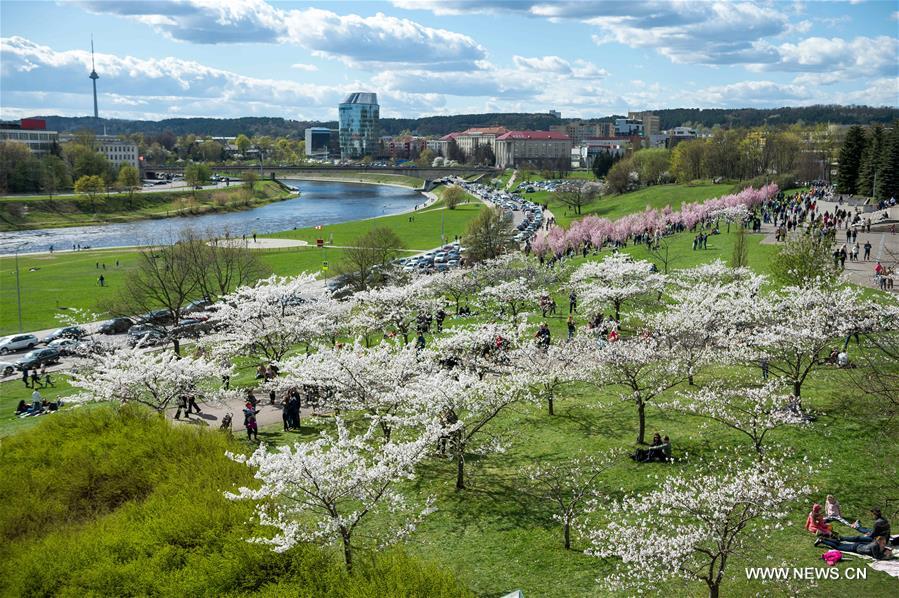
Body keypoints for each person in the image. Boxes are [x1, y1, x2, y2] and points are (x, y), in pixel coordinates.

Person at [817, 535, 892, 560]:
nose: (884, 544)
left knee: (840, 544)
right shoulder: (875, 546)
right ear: (879, 542)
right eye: (883, 543)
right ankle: (822, 540)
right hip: (855, 548)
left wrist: (887, 550)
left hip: (858, 546)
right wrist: (886, 555)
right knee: (838, 547)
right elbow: (876, 556)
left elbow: (881, 550)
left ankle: (825, 538)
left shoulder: (877, 544)